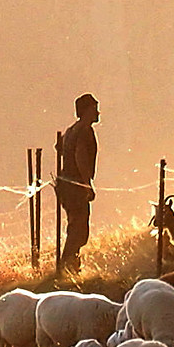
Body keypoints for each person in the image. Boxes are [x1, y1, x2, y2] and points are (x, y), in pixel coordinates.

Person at [56, 93, 99, 272]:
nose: (98, 112)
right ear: (87, 111)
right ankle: (67, 266)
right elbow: (80, 155)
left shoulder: (72, 129)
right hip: (75, 186)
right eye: (95, 108)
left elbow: (58, 147)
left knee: (75, 225)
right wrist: (86, 184)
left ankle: (71, 265)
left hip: (65, 184)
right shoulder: (84, 130)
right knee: (79, 229)